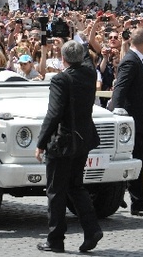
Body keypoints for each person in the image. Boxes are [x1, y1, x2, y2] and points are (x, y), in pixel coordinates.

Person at [34, 40, 103, 253]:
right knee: (76, 186)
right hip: (83, 139)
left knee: (56, 191)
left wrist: (41, 143)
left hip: (63, 141)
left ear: (62, 58)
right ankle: (91, 229)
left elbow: (53, 114)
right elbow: (89, 57)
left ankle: (55, 240)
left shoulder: (60, 79)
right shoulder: (90, 73)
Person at [111, 27, 143, 217]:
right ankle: (137, 204)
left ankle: (120, 189)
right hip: (133, 121)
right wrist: (118, 115)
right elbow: (120, 90)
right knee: (139, 160)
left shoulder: (138, 60)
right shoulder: (130, 61)